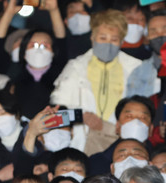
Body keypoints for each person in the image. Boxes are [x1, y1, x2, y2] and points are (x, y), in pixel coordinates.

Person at [50, 9, 142, 151]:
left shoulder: (135, 68)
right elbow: (56, 115)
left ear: (122, 42)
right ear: (92, 38)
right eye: (103, 38)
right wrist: (80, 117)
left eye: (114, 39)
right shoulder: (75, 67)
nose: (108, 44)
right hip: (81, 144)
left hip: (121, 143)